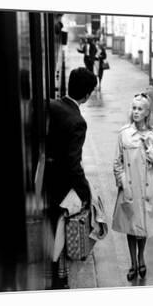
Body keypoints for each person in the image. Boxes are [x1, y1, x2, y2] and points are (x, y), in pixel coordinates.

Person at [45, 67, 97, 289]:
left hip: (47, 180)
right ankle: (59, 277)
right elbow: (73, 164)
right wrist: (86, 192)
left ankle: (59, 273)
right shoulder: (77, 121)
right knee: (64, 229)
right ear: (87, 94)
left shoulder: (51, 105)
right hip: (62, 186)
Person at [112, 93, 153, 281]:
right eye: (133, 108)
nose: (135, 112)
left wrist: (150, 149)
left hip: (147, 188)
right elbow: (117, 161)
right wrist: (122, 181)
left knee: (143, 227)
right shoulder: (124, 133)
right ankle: (133, 262)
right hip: (130, 187)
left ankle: (141, 257)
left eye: (139, 109)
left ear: (147, 112)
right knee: (130, 227)